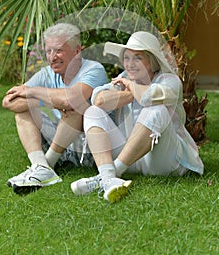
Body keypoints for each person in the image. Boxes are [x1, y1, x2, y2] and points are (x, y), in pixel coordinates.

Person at [71, 31, 204, 203]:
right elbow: (99, 100)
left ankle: (109, 175)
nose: (130, 64)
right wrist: (130, 92)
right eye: (126, 58)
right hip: (133, 160)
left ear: (152, 61)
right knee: (92, 112)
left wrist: (130, 87)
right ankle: (109, 177)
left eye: (137, 58)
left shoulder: (170, 80)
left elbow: (149, 97)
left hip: (164, 161)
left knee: (158, 109)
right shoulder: (124, 79)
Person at [2, 22, 108, 194]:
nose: (52, 57)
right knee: (22, 110)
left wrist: (32, 91)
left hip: (89, 149)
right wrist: (52, 102)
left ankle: (48, 164)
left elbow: (72, 100)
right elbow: (9, 101)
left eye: (58, 50)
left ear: (77, 51)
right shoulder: (46, 73)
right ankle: (40, 166)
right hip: (62, 141)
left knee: (78, 107)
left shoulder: (94, 70)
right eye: (48, 51)